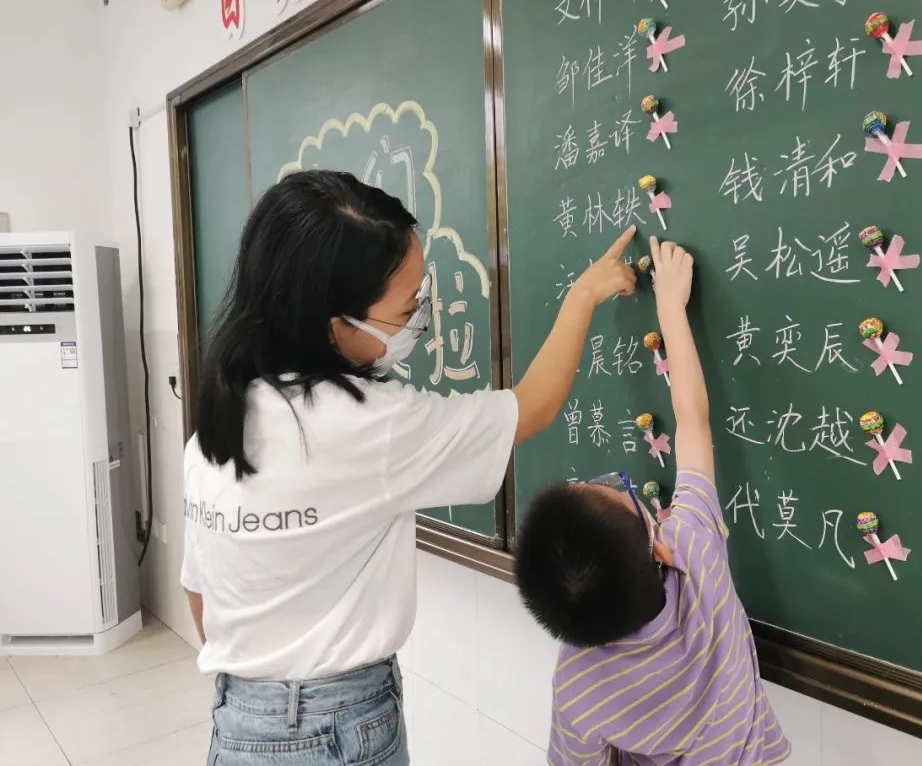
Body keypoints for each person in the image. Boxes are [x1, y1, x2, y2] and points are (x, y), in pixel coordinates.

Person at [181, 170, 637, 765]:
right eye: (405, 308)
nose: (421, 315)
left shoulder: (222, 413)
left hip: (238, 717)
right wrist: (583, 296)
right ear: (336, 325)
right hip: (338, 726)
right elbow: (533, 406)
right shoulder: (371, 425)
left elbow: (199, 591)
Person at [515, 237, 791, 765]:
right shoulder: (695, 554)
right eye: (623, 492)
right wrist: (670, 307)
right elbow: (692, 420)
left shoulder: (577, 682)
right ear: (659, 550)